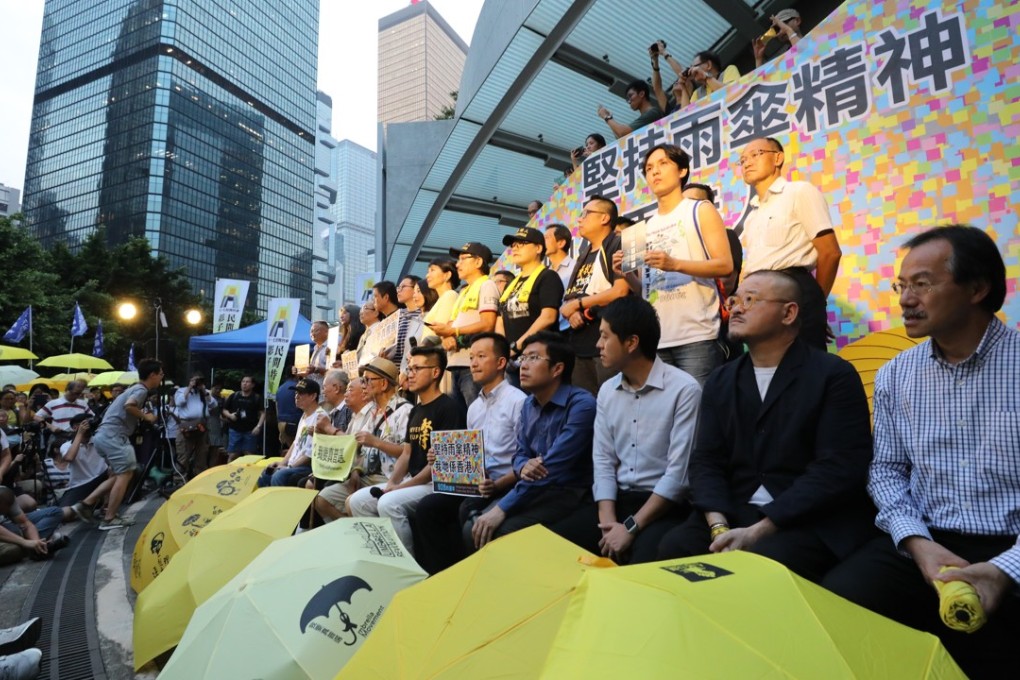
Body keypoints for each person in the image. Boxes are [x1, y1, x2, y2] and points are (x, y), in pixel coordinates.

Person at [821, 226, 1019, 679]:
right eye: (902, 286)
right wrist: (917, 542)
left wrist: (1004, 569)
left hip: (1012, 544)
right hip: (926, 539)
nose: (906, 299)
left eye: (923, 284)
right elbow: (887, 471)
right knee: (843, 598)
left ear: (978, 288)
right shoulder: (896, 374)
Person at [657, 271, 876, 582]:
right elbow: (706, 459)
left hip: (807, 517)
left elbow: (838, 468)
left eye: (751, 299)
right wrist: (718, 524)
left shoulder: (832, 375)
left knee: (762, 565)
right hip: (735, 508)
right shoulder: (722, 379)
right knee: (674, 548)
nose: (736, 308)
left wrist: (761, 529)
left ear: (788, 313)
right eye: (734, 300)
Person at [551, 297, 700, 563]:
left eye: (605, 337)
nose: (598, 345)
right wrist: (608, 524)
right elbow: (603, 461)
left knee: (642, 561)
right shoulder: (608, 391)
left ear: (631, 343)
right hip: (616, 501)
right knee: (557, 545)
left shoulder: (684, 390)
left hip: (662, 507)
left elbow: (677, 476)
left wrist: (630, 527)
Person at [465, 332, 596, 551]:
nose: (522, 366)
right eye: (522, 358)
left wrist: (502, 509)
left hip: (571, 493)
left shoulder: (581, 405)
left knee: (495, 532)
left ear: (557, 368)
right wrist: (524, 464)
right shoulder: (529, 405)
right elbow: (519, 455)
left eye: (533, 358)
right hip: (536, 489)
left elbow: (551, 467)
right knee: (473, 522)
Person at [412, 332, 527, 574]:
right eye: (472, 357)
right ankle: (440, 574)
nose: (473, 363)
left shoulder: (518, 402)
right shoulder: (473, 407)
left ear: (501, 363)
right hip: (473, 481)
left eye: (481, 357)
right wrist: (442, 458)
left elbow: (527, 456)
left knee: (456, 510)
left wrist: (497, 483)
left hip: (504, 483)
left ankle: (463, 573)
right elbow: (470, 454)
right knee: (427, 508)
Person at [631, 144, 733, 384]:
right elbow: (642, 290)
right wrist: (624, 275)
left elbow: (725, 265)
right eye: (648, 168)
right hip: (657, 339)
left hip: (698, 335)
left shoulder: (700, 209)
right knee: (665, 416)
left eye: (663, 164)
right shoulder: (641, 229)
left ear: (682, 171)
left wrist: (675, 264)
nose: (654, 172)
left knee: (699, 415)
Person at [349, 347, 466, 553]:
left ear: (435, 372)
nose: (409, 374)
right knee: (359, 501)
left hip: (435, 483)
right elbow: (407, 453)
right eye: (409, 368)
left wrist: (400, 487)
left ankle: (407, 564)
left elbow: (440, 465)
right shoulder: (417, 410)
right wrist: (393, 482)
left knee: (389, 503)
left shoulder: (450, 408)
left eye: (416, 368)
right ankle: (382, 555)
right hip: (411, 481)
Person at [739, 136, 842, 349]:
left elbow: (830, 252)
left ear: (778, 158)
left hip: (792, 290)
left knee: (804, 369)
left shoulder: (799, 192)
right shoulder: (752, 215)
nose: (747, 163)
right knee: (766, 368)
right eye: (742, 160)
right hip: (757, 300)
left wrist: (813, 306)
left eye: (755, 155)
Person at [560, 195, 631, 395]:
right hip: (580, 345)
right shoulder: (583, 254)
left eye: (586, 214)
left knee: (613, 405)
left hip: (609, 343)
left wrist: (578, 305)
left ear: (604, 218)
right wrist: (572, 310)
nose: (579, 219)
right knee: (586, 410)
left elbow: (621, 290)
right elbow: (570, 297)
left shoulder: (619, 243)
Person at [91, 358, 163, 530]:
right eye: (160, 374)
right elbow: (129, 406)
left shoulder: (134, 389)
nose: (162, 377)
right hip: (114, 435)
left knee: (117, 473)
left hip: (104, 435)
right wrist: (147, 417)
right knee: (126, 473)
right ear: (152, 375)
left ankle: (86, 504)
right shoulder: (140, 390)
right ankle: (109, 518)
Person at [431, 242, 499, 407]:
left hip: (472, 365)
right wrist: (446, 335)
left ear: (478, 262)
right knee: (461, 423)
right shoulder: (464, 291)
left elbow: (488, 323)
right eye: (458, 260)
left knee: (476, 418)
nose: (457, 264)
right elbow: (452, 324)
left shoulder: (487, 285)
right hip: (456, 363)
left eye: (463, 259)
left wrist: (454, 331)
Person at [311, 375, 385, 522]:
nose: (345, 394)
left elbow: (356, 443)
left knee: (316, 488)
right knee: (320, 497)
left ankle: (352, 528)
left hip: (373, 474)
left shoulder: (373, 412)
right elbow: (352, 446)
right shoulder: (355, 415)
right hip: (352, 470)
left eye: (350, 390)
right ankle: (347, 528)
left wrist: (329, 429)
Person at [349, 358, 413, 510]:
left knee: (351, 502)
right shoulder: (373, 411)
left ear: (384, 384)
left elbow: (408, 452)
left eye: (367, 380)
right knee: (324, 498)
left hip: (389, 477)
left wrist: (376, 442)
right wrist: (356, 470)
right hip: (367, 475)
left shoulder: (405, 410)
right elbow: (360, 447)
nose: (363, 385)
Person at [496, 227, 564, 358]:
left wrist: (518, 346)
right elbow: (500, 319)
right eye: (513, 245)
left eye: (521, 244)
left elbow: (548, 317)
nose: (515, 248)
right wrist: (503, 349)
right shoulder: (511, 284)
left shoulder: (548, 277)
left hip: (538, 353)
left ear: (538, 248)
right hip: (510, 355)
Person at [257, 379, 324, 488]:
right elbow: (296, 443)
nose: (296, 396)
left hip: (307, 466)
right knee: (265, 474)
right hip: (294, 464)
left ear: (313, 396)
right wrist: (283, 463)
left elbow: (310, 454)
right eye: (296, 393)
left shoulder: (320, 417)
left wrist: (289, 467)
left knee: (278, 476)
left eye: (301, 393)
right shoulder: (304, 415)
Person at [58, 415, 114, 518]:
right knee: (65, 515)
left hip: (102, 478)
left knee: (116, 471)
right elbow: (70, 458)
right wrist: (79, 433)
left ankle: (106, 505)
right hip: (80, 485)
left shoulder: (99, 440)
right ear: (75, 427)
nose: (88, 426)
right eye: (84, 423)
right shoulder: (66, 446)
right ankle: (93, 502)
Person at [0, 486, 73, 565]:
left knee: (56, 512)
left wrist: (36, 541)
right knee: (13, 550)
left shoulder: (6, 494)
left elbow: (24, 523)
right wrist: (24, 542)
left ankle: (37, 548)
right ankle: (30, 549)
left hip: (9, 525)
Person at [173, 372, 218, 475]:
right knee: (184, 453)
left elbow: (214, 404)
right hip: (186, 424)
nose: (197, 382)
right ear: (189, 380)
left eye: (199, 380)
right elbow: (179, 402)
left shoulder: (204, 392)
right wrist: (189, 388)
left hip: (202, 425)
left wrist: (203, 390)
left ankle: (199, 477)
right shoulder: (181, 390)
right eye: (195, 380)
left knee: (202, 453)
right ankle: (179, 479)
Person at [34, 380, 93, 453]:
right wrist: (50, 426)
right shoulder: (53, 403)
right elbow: (37, 416)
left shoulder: (83, 404)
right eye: (75, 393)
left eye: (80, 393)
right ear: (68, 390)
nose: (77, 396)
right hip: (59, 436)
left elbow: (92, 417)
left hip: (77, 437)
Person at [597, 79, 664, 139]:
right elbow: (620, 137)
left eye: (630, 95)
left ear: (641, 94)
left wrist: (606, 117)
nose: (629, 101)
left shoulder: (653, 112)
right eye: (627, 99)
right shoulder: (648, 115)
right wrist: (609, 118)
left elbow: (622, 133)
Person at [221, 376, 265, 461]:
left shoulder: (256, 398)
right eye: (243, 381)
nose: (245, 384)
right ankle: (230, 471)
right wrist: (230, 415)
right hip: (235, 429)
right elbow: (224, 410)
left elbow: (263, 413)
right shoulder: (234, 396)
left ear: (252, 385)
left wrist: (258, 426)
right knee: (233, 454)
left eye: (247, 382)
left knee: (249, 454)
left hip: (250, 430)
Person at [293, 320, 331, 395]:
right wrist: (299, 370)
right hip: (314, 394)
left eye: (316, 331)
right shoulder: (315, 349)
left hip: (325, 394)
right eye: (311, 331)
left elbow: (335, 372)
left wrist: (316, 369)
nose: (312, 334)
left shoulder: (330, 347)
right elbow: (310, 375)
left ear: (327, 332)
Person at [274, 369, 301, 450]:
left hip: (281, 423)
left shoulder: (280, 388)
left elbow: (277, 407)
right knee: (297, 449)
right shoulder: (298, 387)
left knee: (291, 449)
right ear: (296, 375)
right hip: (294, 422)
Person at [544, 223, 576, 289]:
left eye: (546, 238)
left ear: (561, 243)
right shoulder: (544, 273)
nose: (542, 242)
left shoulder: (575, 267)